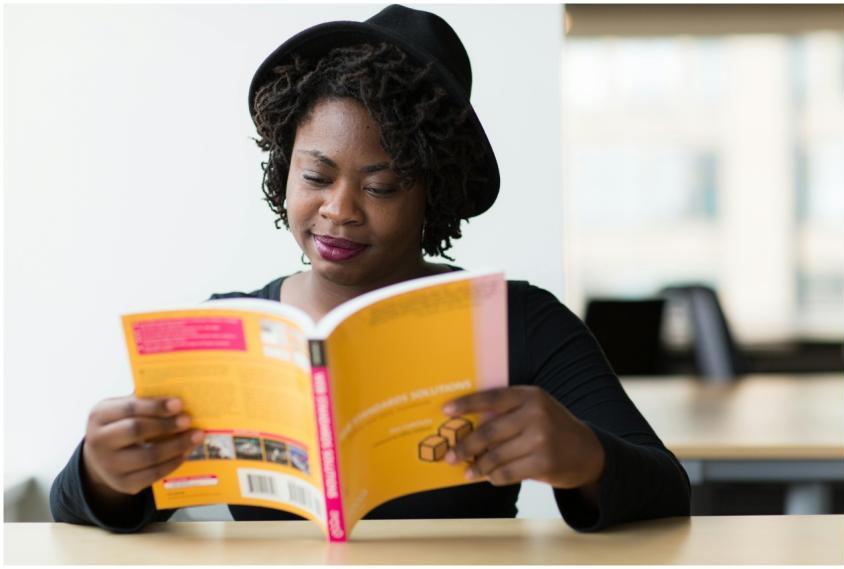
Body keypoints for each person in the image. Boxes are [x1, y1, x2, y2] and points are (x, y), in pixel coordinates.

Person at [50, 4, 690, 533]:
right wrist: (105, 473)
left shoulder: (519, 322)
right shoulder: (229, 328)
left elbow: (667, 491)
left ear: (428, 197)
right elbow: (84, 506)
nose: (339, 210)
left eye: (380, 187)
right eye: (316, 176)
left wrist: (585, 457)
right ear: (284, 174)